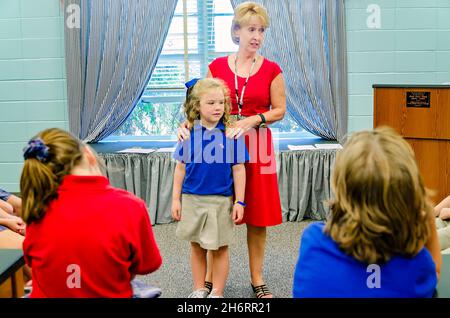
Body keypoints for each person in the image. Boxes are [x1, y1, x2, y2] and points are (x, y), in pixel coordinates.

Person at [178, 1, 285, 298]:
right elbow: (200, 102)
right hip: (220, 145)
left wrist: (252, 120)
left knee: (258, 214)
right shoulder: (216, 67)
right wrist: (185, 125)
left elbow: (280, 111)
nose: (257, 36)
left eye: (261, 30)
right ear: (236, 32)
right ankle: (209, 280)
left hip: (259, 144)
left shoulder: (273, 69)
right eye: (251, 29)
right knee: (215, 209)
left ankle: (257, 278)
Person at [293, 127, 442, 298]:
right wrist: (428, 215)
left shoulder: (314, 242)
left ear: (342, 187)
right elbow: (434, 273)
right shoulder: (416, 264)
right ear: (408, 195)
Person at [20, 128, 162, 298]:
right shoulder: (130, 206)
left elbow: (37, 263)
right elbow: (147, 265)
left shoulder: (37, 209)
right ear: (89, 154)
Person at [172, 78, 249, 298]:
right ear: (197, 105)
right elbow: (180, 169)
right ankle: (199, 288)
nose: (218, 107)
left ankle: (217, 291)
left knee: (220, 247)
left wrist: (239, 201)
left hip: (221, 200)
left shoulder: (231, 134)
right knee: (197, 246)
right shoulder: (187, 134)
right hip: (192, 199)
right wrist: (176, 199)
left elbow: (239, 170)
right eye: (211, 103)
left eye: (221, 103)